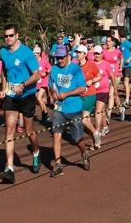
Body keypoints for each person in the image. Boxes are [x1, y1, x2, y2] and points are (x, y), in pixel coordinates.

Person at [0, 24, 41, 184]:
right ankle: (9, 168)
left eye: (10, 35)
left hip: (27, 94)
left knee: (29, 130)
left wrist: (23, 85)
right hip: (11, 95)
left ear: (17, 36)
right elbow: (4, 71)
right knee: (10, 128)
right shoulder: (3, 52)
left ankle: (36, 152)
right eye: (6, 36)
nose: (8, 38)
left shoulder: (26, 53)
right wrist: (3, 87)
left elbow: (37, 74)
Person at [48, 45, 89, 177]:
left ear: (68, 56)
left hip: (74, 109)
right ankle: (58, 165)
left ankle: (84, 153)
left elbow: (83, 88)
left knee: (77, 139)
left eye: (62, 58)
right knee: (56, 135)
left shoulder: (75, 69)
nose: (60, 60)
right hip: (59, 109)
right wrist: (53, 93)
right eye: (58, 58)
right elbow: (51, 85)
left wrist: (67, 94)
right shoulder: (53, 69)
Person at [76, 45, 102, 149]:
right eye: (77, 52)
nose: (78, 54)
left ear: (85, 54)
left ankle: (96, 134)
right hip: (79, 96)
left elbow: (99, 76)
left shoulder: (91, 65)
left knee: (83, 119)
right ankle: (96, 139)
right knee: (85, 121)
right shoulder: (75, 67)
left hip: (89, 95)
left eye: (80, 52)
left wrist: (92, 81)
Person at [93, 45, 114, 136]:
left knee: (98, 110)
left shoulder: (106, 64)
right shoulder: (91, 63)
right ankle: (105, 127)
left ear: (102, 53)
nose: (97, 55)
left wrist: (115, 89)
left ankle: (97, 131)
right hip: (94, 91)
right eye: (95, 53)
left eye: (98, 53)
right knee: (101, 110)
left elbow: (112, 76)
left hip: (104, 90)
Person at [102, 35, 124, 120]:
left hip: (116, 75)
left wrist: (121, 67)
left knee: (111, 94)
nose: (107, 43)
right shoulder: (104, 52)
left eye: (109, 41)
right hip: (107, 76)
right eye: (107, 41)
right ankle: (121, 109)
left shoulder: (117, 51)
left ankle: (108, 114)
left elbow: (121, 58)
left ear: (113, 42)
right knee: (114, 94)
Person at [34, 46, 52, 124]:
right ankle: (45, 115)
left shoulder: (44, 61)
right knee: (40, 100)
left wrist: (46, 72)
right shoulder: (33, 63)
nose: (34, 56)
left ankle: (44, 114)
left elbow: (50, 68)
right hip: (36, 84)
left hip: (44, 83)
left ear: (39, 54)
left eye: (35, 54)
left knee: (39, 98)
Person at [119, 32, 131, 107]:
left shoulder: (127, 42)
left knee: (125, 83)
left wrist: (130, 58)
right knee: (128, 83)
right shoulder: (121, 45)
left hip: (129, 65)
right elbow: (121, 56)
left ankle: (126, 100)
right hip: (124, 66)